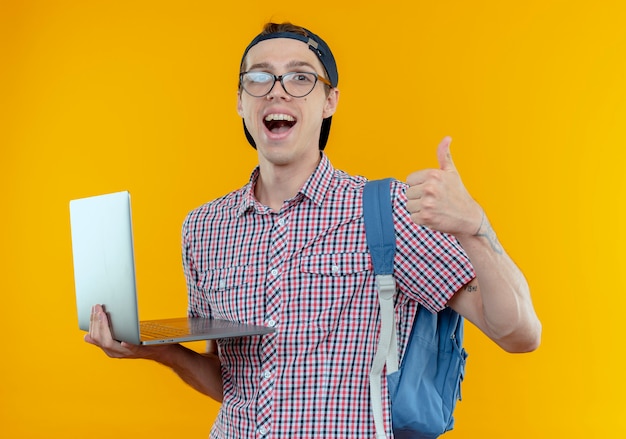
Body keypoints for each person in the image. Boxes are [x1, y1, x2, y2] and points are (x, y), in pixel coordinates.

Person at [86, 22, 541, 438]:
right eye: (259, 77)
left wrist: (474, 227)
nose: (277, 91)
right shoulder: (204, 228)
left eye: (300, 77)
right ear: (240, 101)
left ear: (329, 102)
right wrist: (158, 350)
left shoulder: (388, 211)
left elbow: (519, 333)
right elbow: (234, 386)